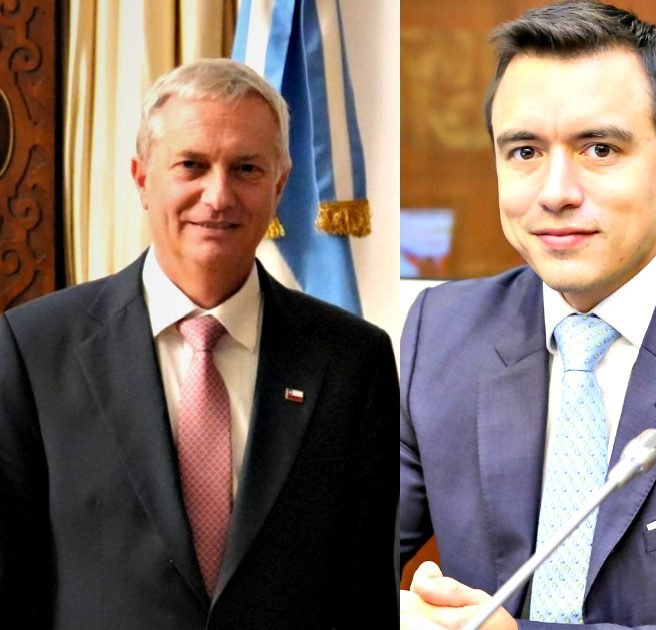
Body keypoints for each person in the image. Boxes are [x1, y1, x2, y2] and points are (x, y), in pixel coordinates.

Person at [395, 1, 656, 628]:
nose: (556, 192)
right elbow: (331, 559)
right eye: (524, 152)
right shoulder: (441, 331)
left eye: (600, 149)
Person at [0, 59, 399, 628]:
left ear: (280, 185)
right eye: (191, 165)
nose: (218, 196)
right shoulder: (34, 349)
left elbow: (366, 594)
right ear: (142, 178)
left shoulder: (352, 361)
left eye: (246, 169)